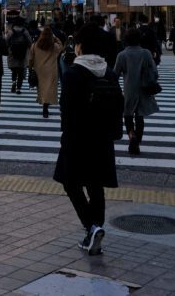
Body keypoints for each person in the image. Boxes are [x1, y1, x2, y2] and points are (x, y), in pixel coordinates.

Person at [54, 23, 119, 256]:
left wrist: (66, 137)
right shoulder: (109, 73)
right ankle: (95, 228)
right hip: (102, 139)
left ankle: (92, 227)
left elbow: (67, 110)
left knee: (70, 182)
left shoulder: (73, 74)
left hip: (77, 138)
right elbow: (117, 107)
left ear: (80, 47)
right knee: (96, 185)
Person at [115, 28, 158, 156]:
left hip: (128, 90)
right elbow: (155, 72)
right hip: (143, 89)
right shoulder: (146, 53)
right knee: (140, 117)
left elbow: (115, 74)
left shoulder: (122, 55)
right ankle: (137, 142)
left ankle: (131, 135)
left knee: (127, 115)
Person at [28, 27, 63, 119]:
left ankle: (43, 104)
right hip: (51, 70)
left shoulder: (35, 45)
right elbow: (61, 46)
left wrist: (30, 68)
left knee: (42, 88)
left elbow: (31, 58)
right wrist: (55, 38)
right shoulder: (54, 46)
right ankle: (46, 107)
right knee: (49, 89)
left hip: (39, 70)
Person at [6, 21, 31, 94]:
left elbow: (6, 41)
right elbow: (30, 42)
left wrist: (8, 48)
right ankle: (18, 89)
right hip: (23, 53)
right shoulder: (25, 31)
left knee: (14, 70)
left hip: (12, 53)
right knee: (21, 71)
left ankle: (14, 82)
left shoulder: (11, 32)